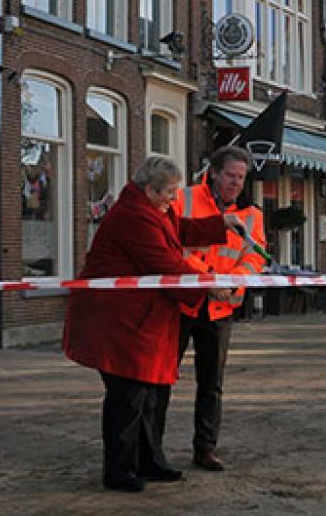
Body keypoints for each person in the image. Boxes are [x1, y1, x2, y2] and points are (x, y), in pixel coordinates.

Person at [62, 156, 243, 492]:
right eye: (170, 193)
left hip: (139, 320)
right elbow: (165, 263)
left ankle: (149, 461)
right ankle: (119, 470)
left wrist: (223, 223)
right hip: (116, 320)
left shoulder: (153, 208)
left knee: (147, 394)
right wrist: (209, 284)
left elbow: (180, 231)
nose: (174, 199)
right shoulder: (133, 217)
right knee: (127, 395)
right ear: (149, 189)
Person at [173, 146, 266, 472]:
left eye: (241, 177)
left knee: (212, 382)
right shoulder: (183, 199)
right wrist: (206, 279)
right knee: (160, 379)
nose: (236, 183)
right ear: (213, 172)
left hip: (220, 307)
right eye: (230, 175)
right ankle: (150, 447)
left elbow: (255, 258)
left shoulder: (252, 214)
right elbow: (173, 247)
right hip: (183, 302)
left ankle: (206, 448)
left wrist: (233, 281)